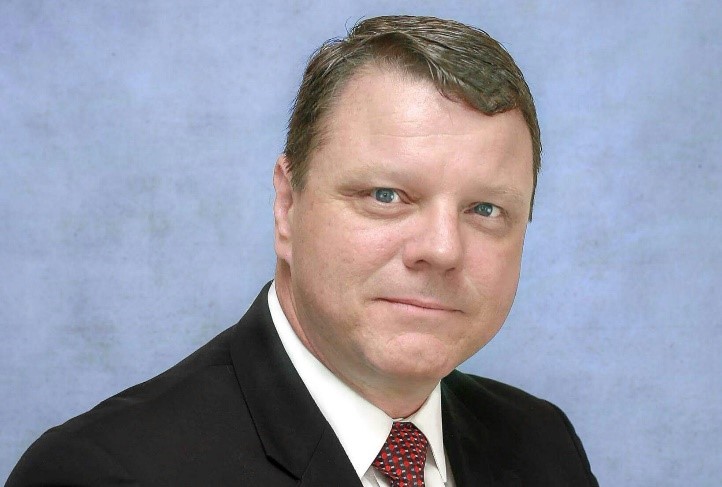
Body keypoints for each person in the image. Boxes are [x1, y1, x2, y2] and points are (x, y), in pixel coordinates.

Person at [7, 15, 598, 486]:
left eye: (485, 210)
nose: (442, 249)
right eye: (387, 196)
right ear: (287, 206)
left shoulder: (543, 446)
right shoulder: (104, 471)